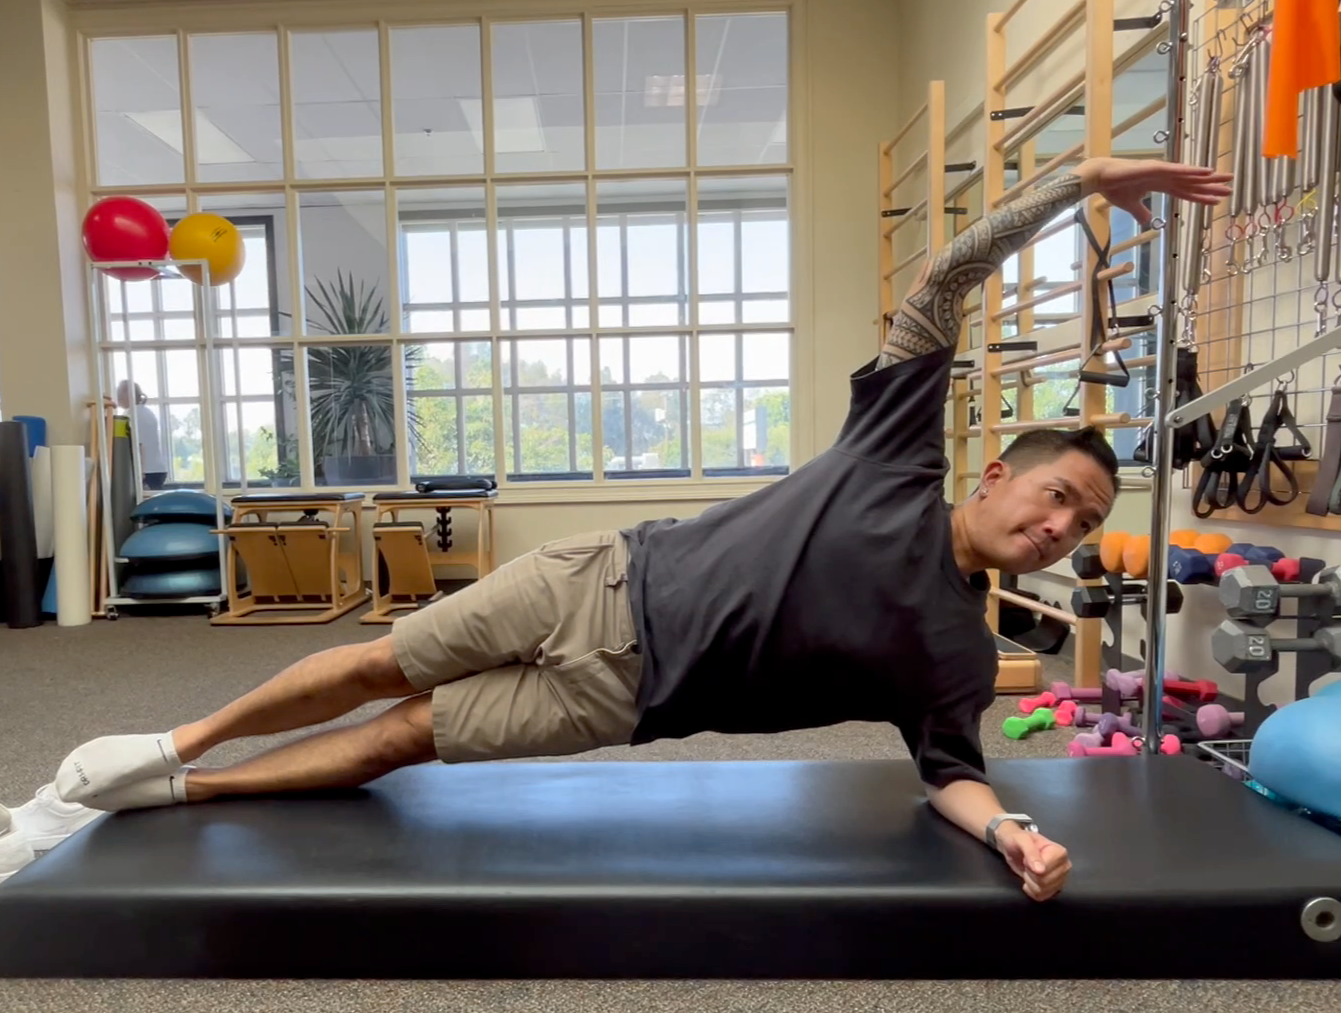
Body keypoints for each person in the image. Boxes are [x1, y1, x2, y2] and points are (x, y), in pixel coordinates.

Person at [49, 157, 1231, 903]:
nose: (1062, 524)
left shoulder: (959, 654)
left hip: (619, 700)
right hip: (600, 580)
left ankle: (178, 798)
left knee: (401, 737)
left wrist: (1014, 832)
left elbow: (950, 776)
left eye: (1084, 520)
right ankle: (178, 739)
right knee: (373, 659)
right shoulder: (896, 451)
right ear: (991, 477)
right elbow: (943, 287)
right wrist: (1075, 187)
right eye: (1057, 493)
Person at [116, 380, 169, 490]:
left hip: (146, 471)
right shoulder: (146, 412)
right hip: (157, 468)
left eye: (119, 394)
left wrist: (141, 470)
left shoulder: (131, 414)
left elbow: (140, 444)